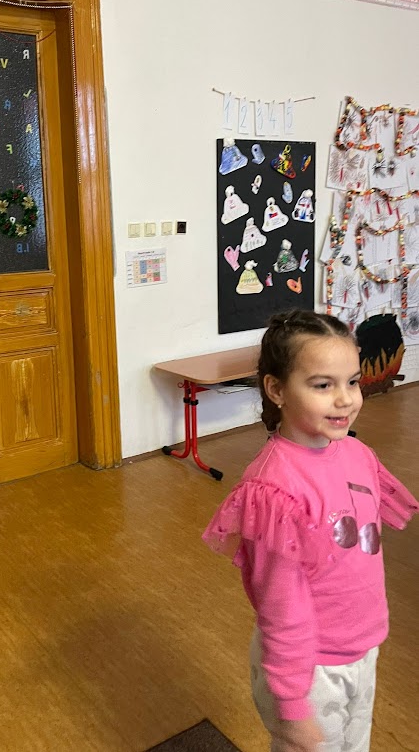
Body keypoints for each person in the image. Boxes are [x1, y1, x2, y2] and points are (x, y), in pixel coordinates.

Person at [202, 310, 418, 752]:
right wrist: (291, 702)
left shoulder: (356, 452)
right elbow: (280, 608)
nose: (346, 399)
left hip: (362, 647)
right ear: (277, 389)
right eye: (323, 385)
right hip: (309, 671)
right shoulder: (273, 491)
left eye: (352, 381)